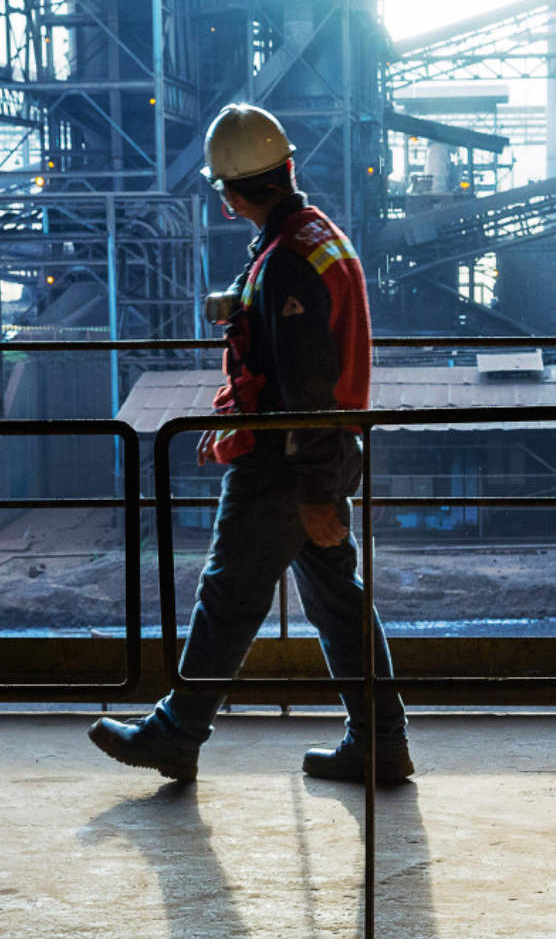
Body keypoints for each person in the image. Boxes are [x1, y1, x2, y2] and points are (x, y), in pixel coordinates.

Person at [89, 103, 414, 785]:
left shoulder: (288, 261)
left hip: (285, 464)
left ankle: (178, 731)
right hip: (312, 451)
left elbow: (308, 387)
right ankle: (380, 740)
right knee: (338, 602)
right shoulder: (315, 236)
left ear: (233, 193)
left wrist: (315, 491)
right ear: (287, 168)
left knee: (229, 595)